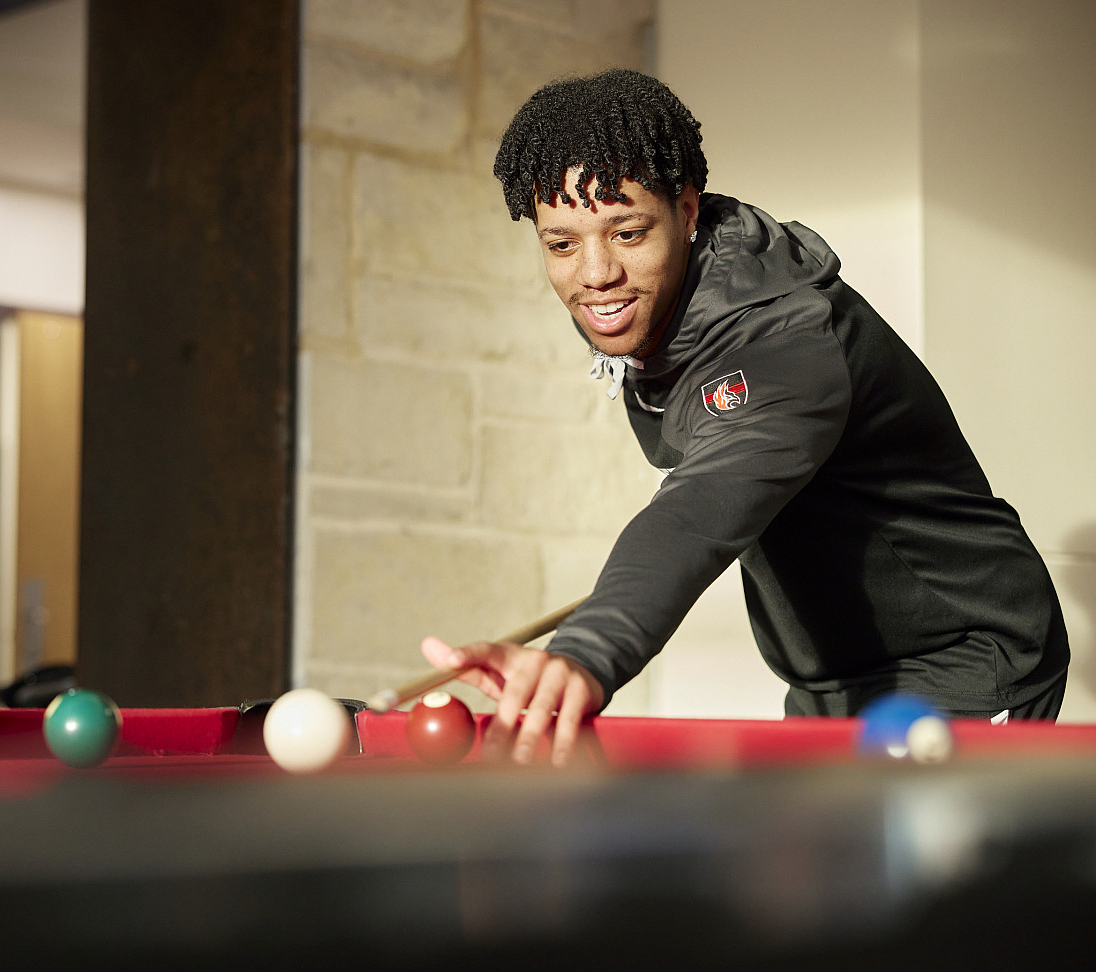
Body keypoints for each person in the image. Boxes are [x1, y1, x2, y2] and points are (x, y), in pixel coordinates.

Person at [419, 69, 1068, 767]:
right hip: (829, 680)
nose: (595, 273)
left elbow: (701, 505)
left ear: (688, 211)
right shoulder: (649, 316)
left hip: (965, 658)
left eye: (628, 231)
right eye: (561, 244)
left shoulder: (785, 344)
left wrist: (586, 651)